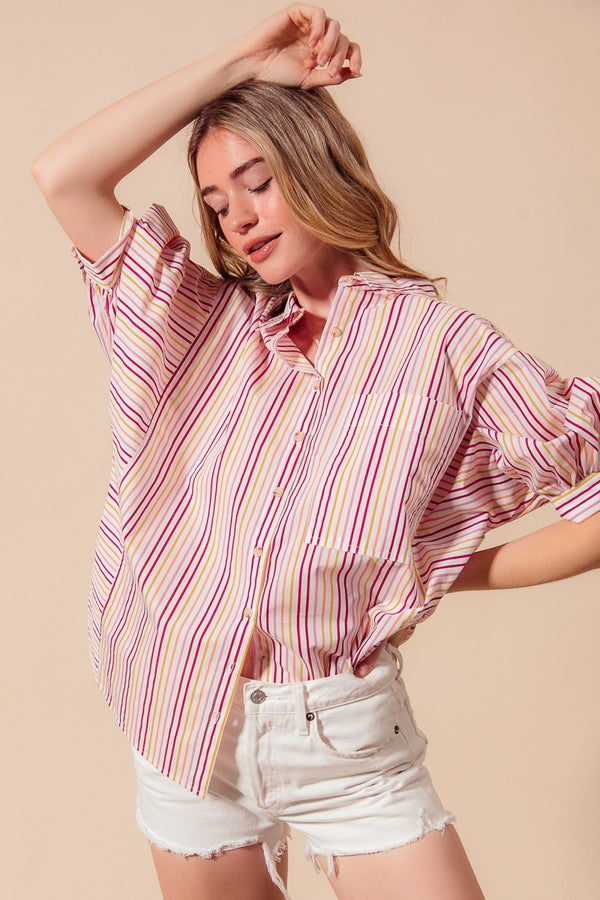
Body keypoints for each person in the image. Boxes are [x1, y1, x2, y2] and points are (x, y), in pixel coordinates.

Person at [32, 5, 600, 899]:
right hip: (187, 720)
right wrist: (242, 62)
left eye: (258, 182)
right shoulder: (203, 325)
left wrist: (438, 571)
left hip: (344, 740)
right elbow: (64, 175)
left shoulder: (445, 348)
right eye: (217, 204)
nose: (239, 220)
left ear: (314, 164)